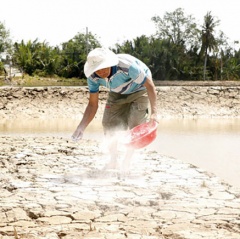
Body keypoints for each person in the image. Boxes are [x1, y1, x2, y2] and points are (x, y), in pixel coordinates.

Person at [72, 47, 158, 171]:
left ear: (109, 63)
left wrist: (154, 113)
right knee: (108, 123)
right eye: (97, 69)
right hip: (117, 91)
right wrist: (81, 127)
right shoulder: (92, 77)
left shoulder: (127, 67)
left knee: (135, 124)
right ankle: (113, 161)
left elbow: (150, 86)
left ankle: (127, 161)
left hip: (140, 89)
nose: (101, 72)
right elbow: (92, 104)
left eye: (103, 67)